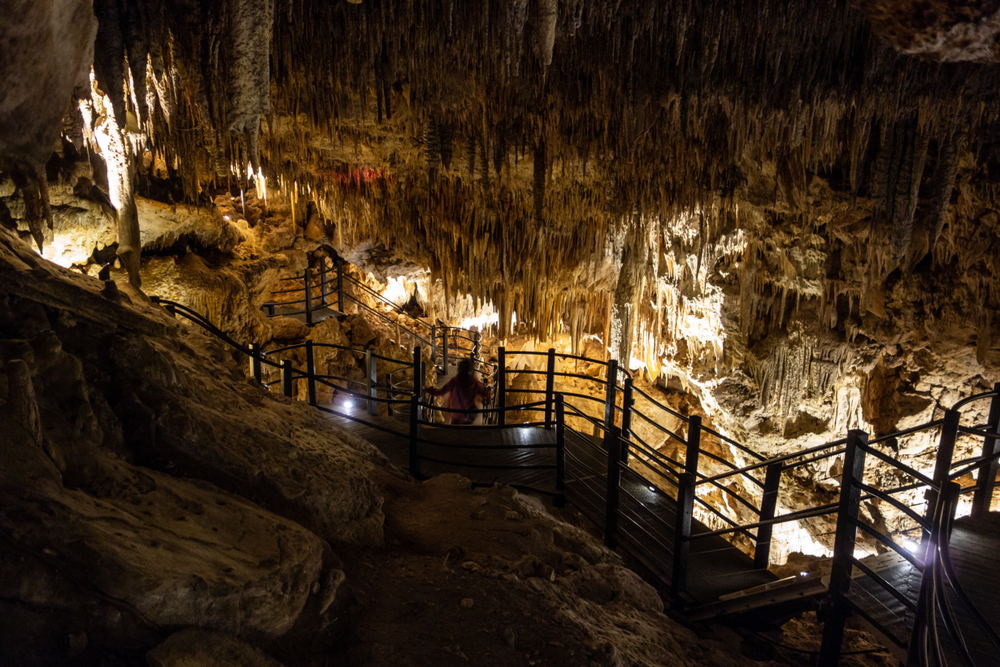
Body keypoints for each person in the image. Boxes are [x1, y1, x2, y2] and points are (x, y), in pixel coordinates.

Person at [424, 359, 491, 424]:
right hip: (468, 415)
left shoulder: (454, 381)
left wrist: (428, 390)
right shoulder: (474, 382)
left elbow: (441, 391)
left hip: (456, 414)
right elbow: (485, 392)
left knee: (455, 431)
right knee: (468, 432)